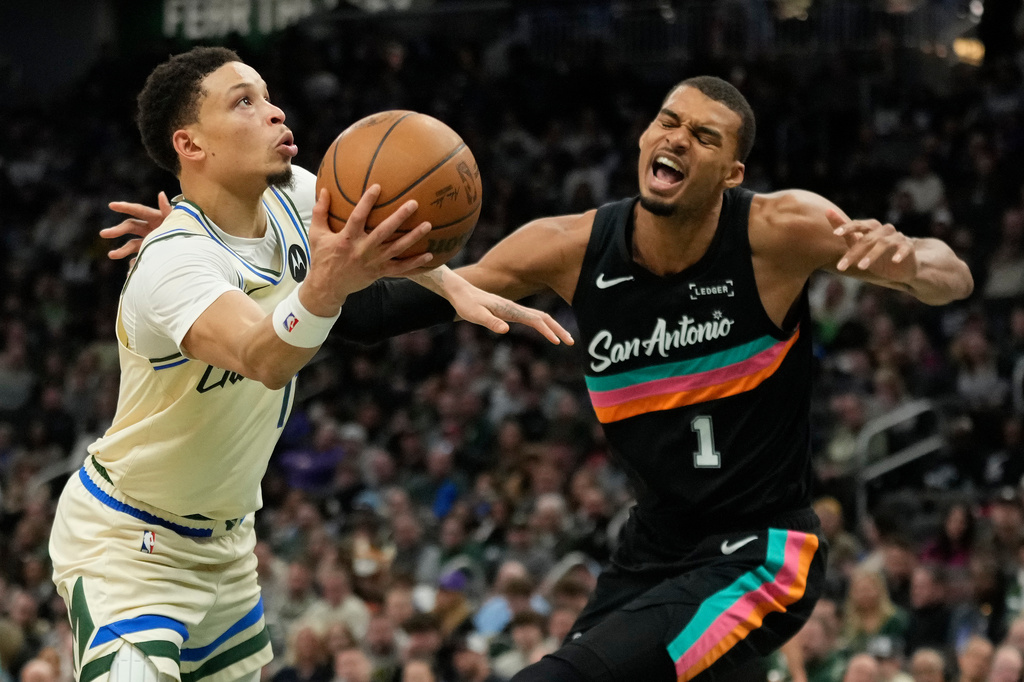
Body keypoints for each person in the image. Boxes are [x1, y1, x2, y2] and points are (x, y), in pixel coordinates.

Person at [109, 76, 974, 681]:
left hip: (759, 554)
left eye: (703, 136)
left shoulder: (779, 233)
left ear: (731, 173)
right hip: (651, 552)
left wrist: (909, 257)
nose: (675, 138)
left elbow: (949, 275)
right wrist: (223, 254)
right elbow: (368, 318)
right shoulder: (568, 249)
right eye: (667, 121)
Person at [56, 46, 573, 682]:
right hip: (130, 544)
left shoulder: (298, 194)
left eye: (269, 96)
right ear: (190, 145)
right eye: (244, 101)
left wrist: (456, 288)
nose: (274, 112)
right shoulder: (173, 263)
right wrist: (325, 287)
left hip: (227, 545)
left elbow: (372, 237)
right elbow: (263, 357)